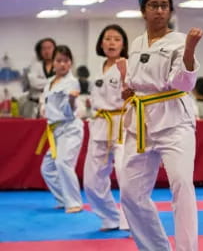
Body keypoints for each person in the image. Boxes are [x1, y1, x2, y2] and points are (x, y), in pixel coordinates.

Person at [118, 0, 203, 251]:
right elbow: (135, 81)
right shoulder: (136, 43)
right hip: (140, 123)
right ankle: (156, 247)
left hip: (174, 122)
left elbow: (183, 83)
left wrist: (189, 49)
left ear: (170, 10)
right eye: (153, 5)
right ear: (143, 11)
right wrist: (127, 86)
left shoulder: (178, 40)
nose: (159, 10)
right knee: (130, 194)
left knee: (181, 184)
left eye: (164, 5)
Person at [83, 25, 129, 231]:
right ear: (101, 43)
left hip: (123, 126)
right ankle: (111, 217)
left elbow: (133, 93)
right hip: (101, 124)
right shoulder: (97, 67)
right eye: (108, 38)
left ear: (123, 44)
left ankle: (132, 221)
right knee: (91, 179)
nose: (111, 43)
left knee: (125, 174)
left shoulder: (127, 65)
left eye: (116, 39)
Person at [35, 45, 83, 213]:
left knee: (63, 163)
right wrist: (43, 110)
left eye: (66, 61)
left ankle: (74, 202)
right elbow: (45, 103)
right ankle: (63, 198)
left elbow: (69, 111)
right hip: (55, 130)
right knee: (47, 168)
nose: (62, 64)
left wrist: (71, 100)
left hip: (70, 128)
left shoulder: (72, 82)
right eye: (59, 61)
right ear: (53, 62)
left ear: (70, 63)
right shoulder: (49, 83)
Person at [25, 38, 56, 118]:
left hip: (55, 106)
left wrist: (42, 82)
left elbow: (63, 83)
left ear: (55, 49)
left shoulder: (61, 65)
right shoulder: (35, 65)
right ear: (40, 51)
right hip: (35, 105)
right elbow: (34, 83)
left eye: (49, 48)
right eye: (44, 48)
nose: (47, 51)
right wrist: (53, 82)